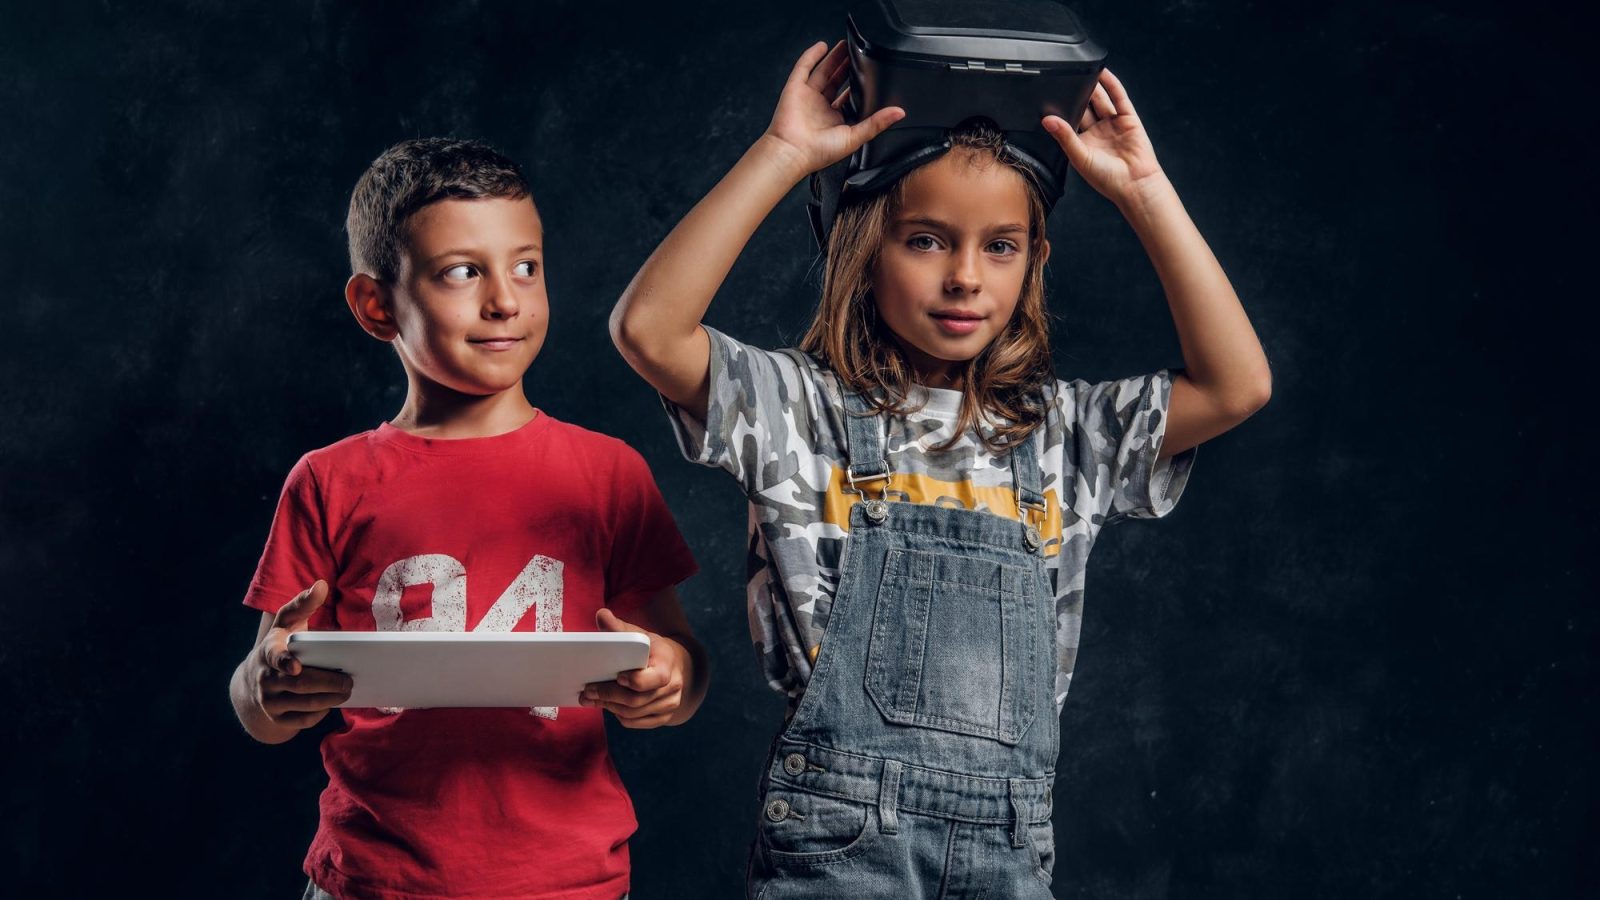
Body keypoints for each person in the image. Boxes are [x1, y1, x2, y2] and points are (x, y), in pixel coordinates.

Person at [610, 41, 1270, 896]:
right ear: (863, 248)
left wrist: (1144, 192)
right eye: (926, 240)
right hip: (840, 840)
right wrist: (785, 154)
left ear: (1034, 260)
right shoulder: (797, 412)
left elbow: (1238, 384)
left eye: (1001, 246)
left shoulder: (1064, 433)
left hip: (1011, 847)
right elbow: (649, 331)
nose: (965, 277)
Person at [229, 137, 705, 900]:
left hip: (568, 883)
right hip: (374, 881)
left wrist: (668, 680)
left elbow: (683, 667)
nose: (505, 300)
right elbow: (261, 706)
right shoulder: (330, 481)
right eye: (461, 272)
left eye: (526, 266)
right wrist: (267, 686)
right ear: (376, 305)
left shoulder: (607, 472)